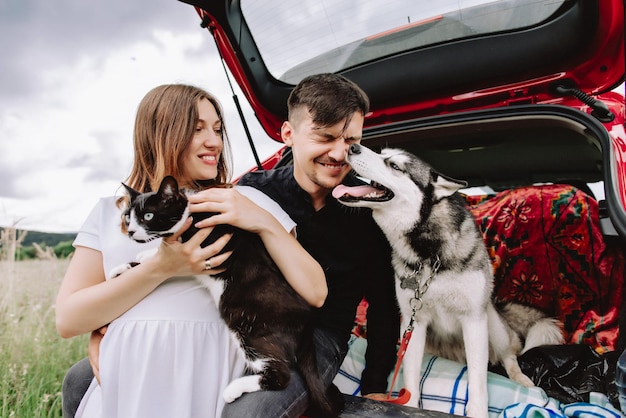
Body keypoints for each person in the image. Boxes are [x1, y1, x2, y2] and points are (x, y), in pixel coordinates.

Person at [55, 83, 327, 418]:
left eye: (217, 129)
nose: (214, 141)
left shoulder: (243, 201)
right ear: (159, 133)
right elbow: (68, 320)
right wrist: (161, 267)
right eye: (197, 129)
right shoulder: (108, 213)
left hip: (203, 374)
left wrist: (264, 221)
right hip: (126, 381)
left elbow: (314, 291)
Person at [218, 73, 401, 417]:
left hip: (318, 338)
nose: (338, 153)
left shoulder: (371, 208)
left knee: (248, 412)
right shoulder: (254, 191)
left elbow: (383, 304)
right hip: (246, 322)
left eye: (351, 141)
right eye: (325, 137)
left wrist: (375, 383)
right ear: (288, 134)